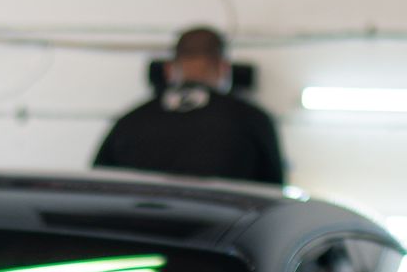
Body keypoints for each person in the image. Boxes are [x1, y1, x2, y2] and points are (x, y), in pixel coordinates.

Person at [92, 26, 286, 187]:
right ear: (224, 69)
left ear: (168, 69)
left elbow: (99, 185)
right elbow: (273, 192)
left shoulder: (129, 122)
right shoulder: (253, 120)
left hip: (142, 222)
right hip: (224, 222)